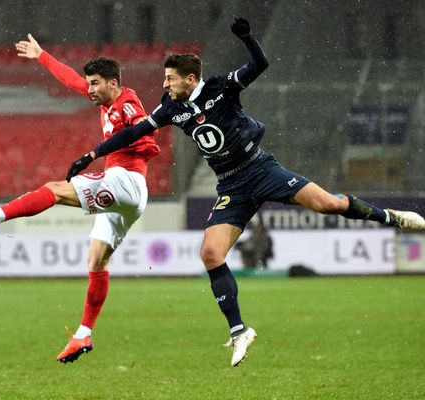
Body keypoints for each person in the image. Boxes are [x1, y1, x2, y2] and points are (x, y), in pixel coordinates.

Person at [65, 17, 425, 367]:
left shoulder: (222, 87)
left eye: (170, 78)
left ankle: (391, 217)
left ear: (191, 79)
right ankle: (239, 331)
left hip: (260, 169)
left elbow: (260, 63)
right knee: (210, 253)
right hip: (231, 185)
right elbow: (135, 131)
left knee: (327, 204)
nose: (165, 83)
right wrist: (94, 153)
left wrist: (248, 38)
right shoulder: (171, 107)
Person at [0, 34, 160, 363]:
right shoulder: (108, 99)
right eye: (89, 84)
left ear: (112, 82)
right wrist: (42, 55)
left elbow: (145, 133)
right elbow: (71, 79)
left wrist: (115, 150)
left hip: (124, 180)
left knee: (54, 189)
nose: (89, 89)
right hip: (131, 192)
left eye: (94, 84)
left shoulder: (128, 104)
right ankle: (83, 336)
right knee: (97, 262)